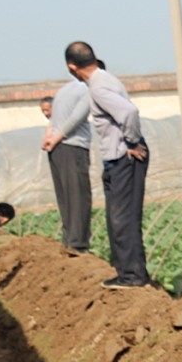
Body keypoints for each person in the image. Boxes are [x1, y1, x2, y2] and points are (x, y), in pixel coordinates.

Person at [64, 42, 149, 288]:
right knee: (118, 218)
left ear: (72, 67)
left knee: (123, 218)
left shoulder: (99, 87)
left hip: (125, 157)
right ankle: (128, 272)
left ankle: (132, 276)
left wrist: (132, 143)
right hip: (117, 158)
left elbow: (129, 113)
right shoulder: (104, 80)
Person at [41, 76, 93, 254]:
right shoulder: (88, 90)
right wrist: (56, 137)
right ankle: (78, 244)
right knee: (79, 196)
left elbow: (54, 118)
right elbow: (77, 117)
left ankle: (68, 239)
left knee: (65, 197)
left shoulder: (64, 90)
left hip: (57, 150)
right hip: (73, 146)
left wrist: (49, 137)